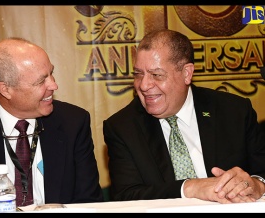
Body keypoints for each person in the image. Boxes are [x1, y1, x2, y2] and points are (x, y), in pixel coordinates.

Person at [103, 29, 265, 204]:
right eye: (138, 74)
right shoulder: (122, 127)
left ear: (187, 73)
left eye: (156, 75)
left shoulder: (234, 111)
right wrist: (190, 187)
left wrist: (258, 184)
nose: (144, 85)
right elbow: (126, 196)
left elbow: (262, 171)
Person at [0, 37, 103, 210]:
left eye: (51, 74)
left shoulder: (73, 122)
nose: (54, 85)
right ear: (6, 89)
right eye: (41, 81)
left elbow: (89, 202)